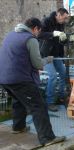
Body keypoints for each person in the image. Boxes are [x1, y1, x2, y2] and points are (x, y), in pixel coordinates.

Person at [0, 18, 65, 146]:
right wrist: (48, 59)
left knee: (18, 99)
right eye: (38, 32)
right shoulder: (30, 39)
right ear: (35, 28)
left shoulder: (11, 34)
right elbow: (38, 64)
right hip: (20, 79)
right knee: (38, 106)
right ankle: (47, 138)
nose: (38, 35)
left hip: (4, 79)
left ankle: (18, 127)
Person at [38, 8, 72, 112]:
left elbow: (61, 40)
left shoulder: (61, 24)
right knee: (52, 76)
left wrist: (68, 39)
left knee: (63, 73)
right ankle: (50, 102)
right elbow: (39, 35)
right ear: (59, 15)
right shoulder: (46, 21)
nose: (65, 20)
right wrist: (53, 33)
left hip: (56, 55)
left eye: (66, 18)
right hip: (46, 54)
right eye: (64, 17)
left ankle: (62, 97)